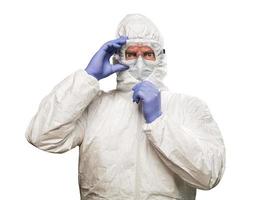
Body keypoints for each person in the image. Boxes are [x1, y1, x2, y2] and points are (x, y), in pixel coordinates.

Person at [25, 14, 226, 200]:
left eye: (148, 54)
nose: (140, 62)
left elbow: (209, 175)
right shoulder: (95, 106)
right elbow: (42, 136)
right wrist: (88, 78)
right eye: (131, 53)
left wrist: (158, 122)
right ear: (118, 58)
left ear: (160, 57)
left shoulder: (187, 107)